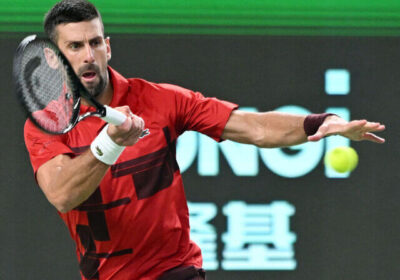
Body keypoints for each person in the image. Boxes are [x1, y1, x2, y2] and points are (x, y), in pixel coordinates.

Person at [23, 0, 385, 279]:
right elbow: (62, 193)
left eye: (95, 42)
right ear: (54, 58)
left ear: (108, 47)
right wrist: (110, 143)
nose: (89, 55)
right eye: (74, 47)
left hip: (175, 271)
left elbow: (253, 127)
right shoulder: (45, 125)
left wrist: (320, 122)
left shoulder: (163, 101)